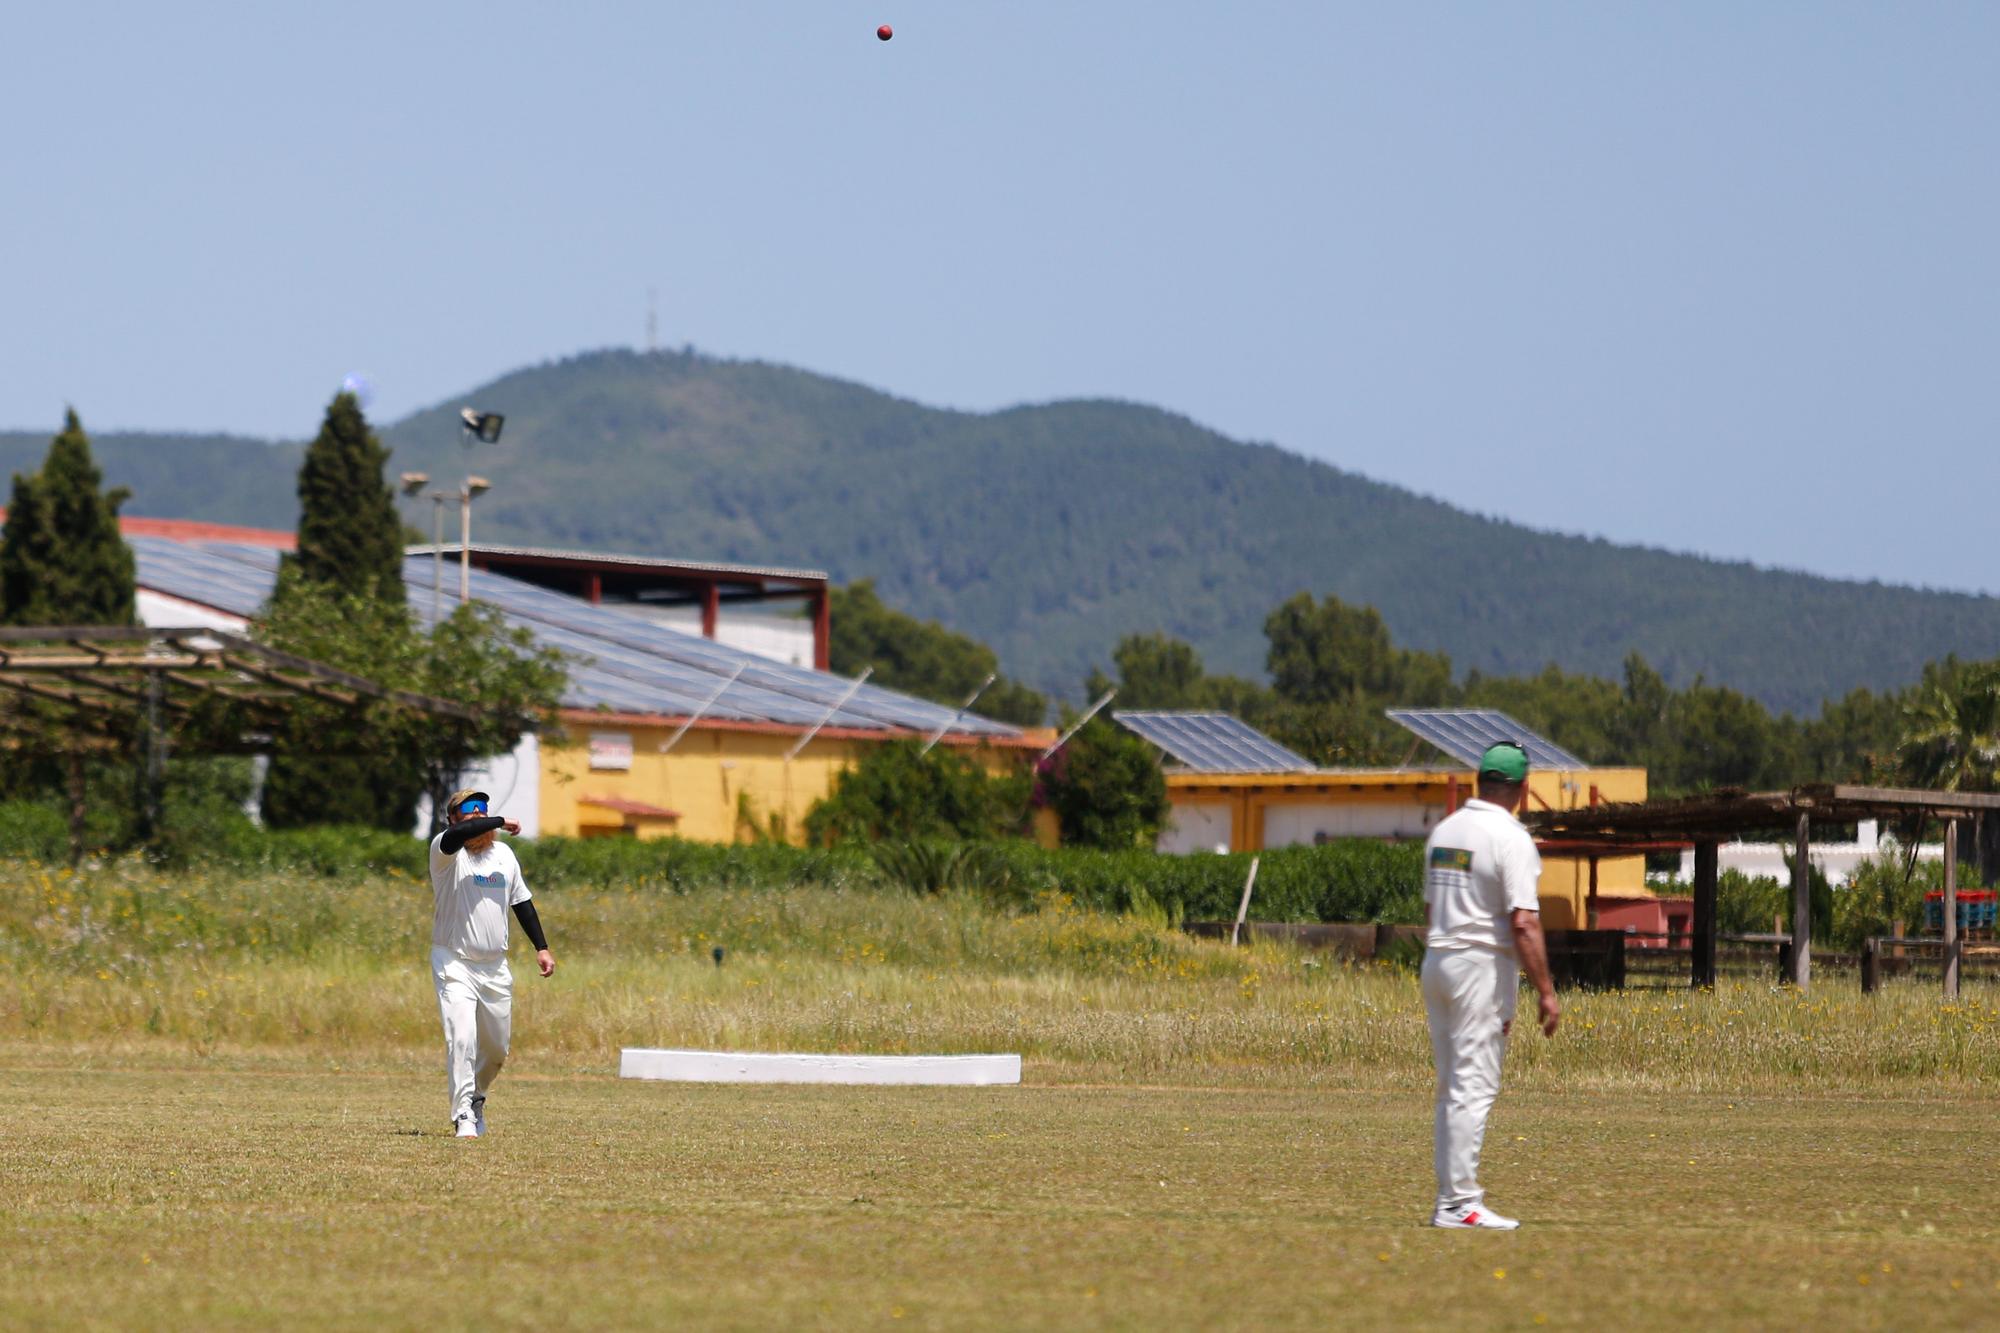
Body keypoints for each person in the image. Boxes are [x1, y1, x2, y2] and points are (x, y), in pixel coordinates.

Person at [1420, 742, 1559, 1229]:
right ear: (1522, 788)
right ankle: (1460, 1204)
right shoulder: (1511, 837)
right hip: (1480, 968)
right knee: (1473, 1086)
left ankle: (1450, 1199)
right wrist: (1546, 989)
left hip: (1437, 960)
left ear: (1481, 781)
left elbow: (1430, 909)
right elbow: (1523, 922)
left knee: (1451, 1086)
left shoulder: (1445, 831)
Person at [428, 788, 555, 1138]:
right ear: (453, 819)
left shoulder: (504, 856)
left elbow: (522, 902)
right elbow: (459, 835)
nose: (479, 818)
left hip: (495, 966)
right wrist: (498, 820)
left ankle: (477, 1097)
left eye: (483, 811)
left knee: (497, 1048)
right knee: (463, 1038)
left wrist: (541, 947)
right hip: (454, 962)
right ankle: (463, 1115)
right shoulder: (446, 852)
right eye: (470, 812)